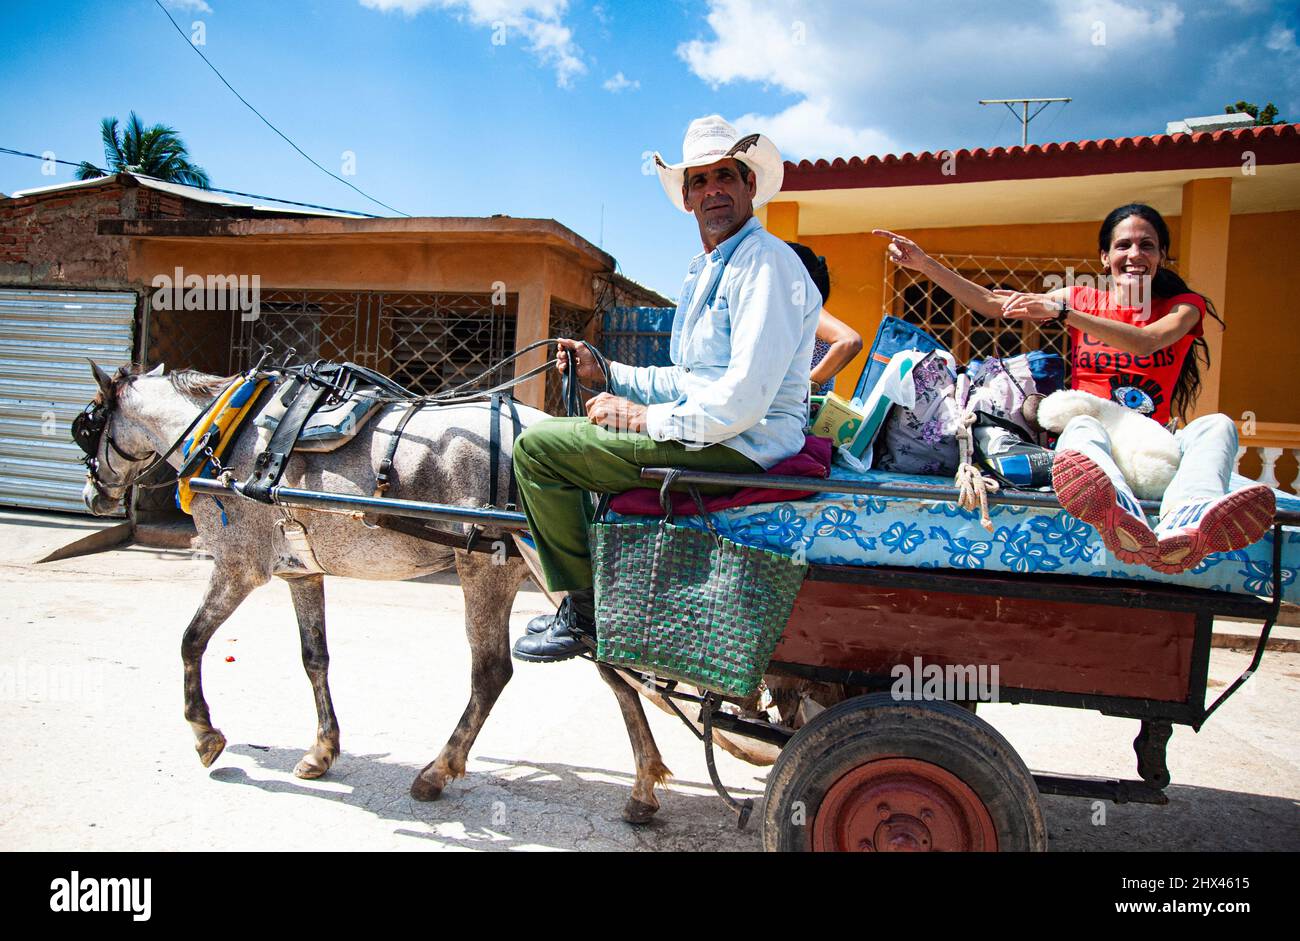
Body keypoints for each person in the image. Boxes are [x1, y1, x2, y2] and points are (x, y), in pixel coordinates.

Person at [511, 115, 822, 662]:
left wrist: (640, 418)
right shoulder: (711, 268)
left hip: (743, 444)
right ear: (686, 198)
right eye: (699, 181)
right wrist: (607, 374)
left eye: (724, 176)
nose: (713, 191)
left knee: (537, 451)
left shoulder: (766, 264)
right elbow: (693, 378)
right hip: (720, 430)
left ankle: (585, 614)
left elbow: (742, 400)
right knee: (564, 434)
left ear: (750, 185)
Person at [873, 204, 1274, 575]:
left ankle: (1188, 524)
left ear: (1162, 256)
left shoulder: (1183, 306)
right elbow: (996, 305)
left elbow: (1146, 341)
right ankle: (1121, 516)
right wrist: (925, 265)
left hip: (1150, 446)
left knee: (1217, 425)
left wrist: (1066, 313)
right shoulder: (1081, 298)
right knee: (1081, 423)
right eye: (1123, 245)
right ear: (1105, 257)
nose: (1135, 254)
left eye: (1146, 245)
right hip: (1092, 449)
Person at [786, 242, 863, 394]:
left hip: (802, 412)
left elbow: (849, 342)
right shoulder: (788, 313)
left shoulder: (803, 306)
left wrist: (804, 389)